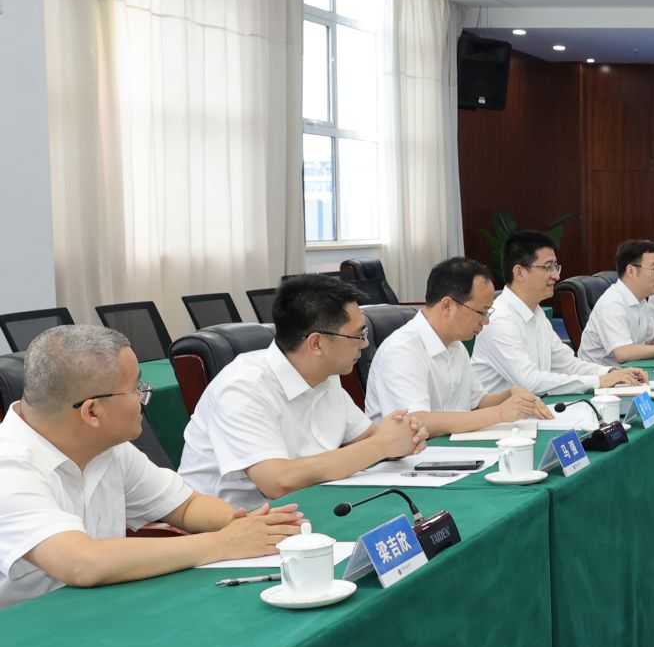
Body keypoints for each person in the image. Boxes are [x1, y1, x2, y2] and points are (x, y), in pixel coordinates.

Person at [0, 326, 304, 609]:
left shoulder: (107, 448)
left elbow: (185, 506)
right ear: (92, 412)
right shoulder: (9, 467)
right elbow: (82, 562)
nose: (145, 396)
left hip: (96, 610)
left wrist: (246, 525)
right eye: (135, 388)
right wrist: (224, 542)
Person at [181, 274, 426, 510]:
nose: (365, 343)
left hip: (307, 509)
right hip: (232, 525)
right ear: (316, 343)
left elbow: (370, 438)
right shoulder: (242, 387)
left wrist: (404, 437)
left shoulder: (325, 375)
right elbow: (278, 482)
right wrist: (382, 445)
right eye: (358, 335)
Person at [367, 257, 551, 434]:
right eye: (482, 312)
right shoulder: (401, 350)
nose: (486, 321)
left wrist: (510, 395)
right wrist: (499, 413)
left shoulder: (456, 345)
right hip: (414, 454)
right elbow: (416, 422)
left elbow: (477, 403)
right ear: (447, 306)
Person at [472, 230, 646, 398]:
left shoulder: (536, 313)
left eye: (556, 267)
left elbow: (568, 365)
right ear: (519, 272)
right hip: (500, 417)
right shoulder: (499, 319)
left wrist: (612, 372)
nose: (556, 276)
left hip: (533, 410)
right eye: (548, 267)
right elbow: (530, 382)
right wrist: (598, 381)